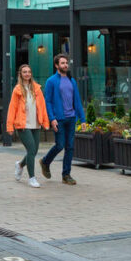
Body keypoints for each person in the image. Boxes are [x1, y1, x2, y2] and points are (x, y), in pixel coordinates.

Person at [40, 54, 85, 185]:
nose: (65, 65)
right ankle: (45, 161)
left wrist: (82, 119)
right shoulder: (51, 81)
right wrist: (52, 119)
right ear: (56, 65)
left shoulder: (72, 81)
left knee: (70, 147)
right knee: (60, 145)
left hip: (71, 118)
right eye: (63, 63)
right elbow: (48, 102)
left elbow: (77, 100)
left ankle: (66, 175)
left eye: (66, 63)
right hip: (59, 119)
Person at [7, 64, 50, 188]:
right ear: (20, 74)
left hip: (36, 124)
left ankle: (20, 165)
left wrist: (46, 122)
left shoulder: (37, 88)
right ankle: (32, 178)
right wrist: (10, 126)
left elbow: (42, 107)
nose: (27, 74)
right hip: (23, 125)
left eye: (29, 72)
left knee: (34, 151)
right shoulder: (17, 90)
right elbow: (12, 109)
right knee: (31, 150)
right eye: (24, 72)